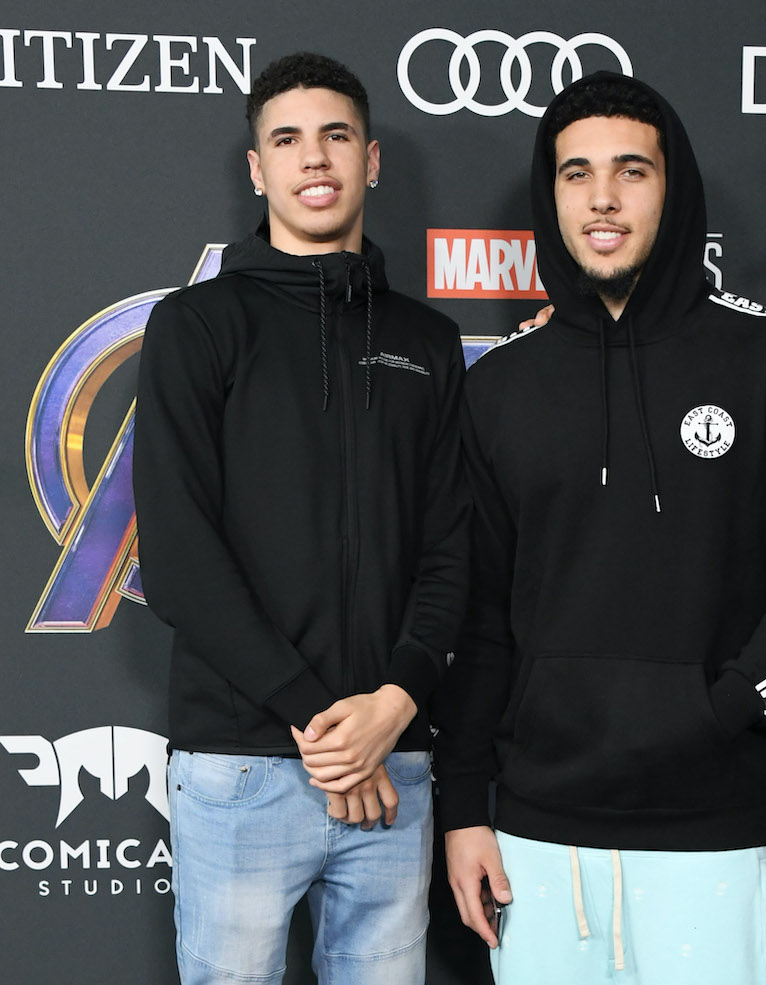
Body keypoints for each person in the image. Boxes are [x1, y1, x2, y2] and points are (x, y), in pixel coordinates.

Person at [432, 72, 766, 985]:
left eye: (632, 171)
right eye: (576, 174)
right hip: (537, 837)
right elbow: (477, 616)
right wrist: (464, 807)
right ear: (552, 197)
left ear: (675, 187)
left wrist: (721, 708)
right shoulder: (501, 385)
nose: (604, 198)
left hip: (714, 827)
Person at [133, 52, 468, 985]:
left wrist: (393, 704)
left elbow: (451, 549)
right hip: (245, 764)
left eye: (335, 136)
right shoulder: (196, 326)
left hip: (393, 766)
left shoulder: (427, 342)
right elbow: (178, 556)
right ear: (257, 169)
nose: (313, 158)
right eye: (287, 139)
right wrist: (326, 728)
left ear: (372, 160)